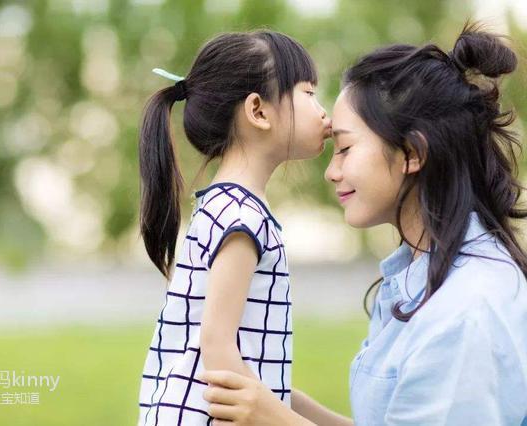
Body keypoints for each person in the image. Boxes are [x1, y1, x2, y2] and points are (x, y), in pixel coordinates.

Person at [200, 23, 527, 426]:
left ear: (412, 153)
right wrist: (284, 406)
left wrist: (277, 420)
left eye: (345, 148)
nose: (331, 172)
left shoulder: (464, 312)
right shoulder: (418, 278)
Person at [137, 30, 331, 425]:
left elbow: (263, 383)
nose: (324, 112)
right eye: (309, 93)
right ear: (258, 111)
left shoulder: (226, 207)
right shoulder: (242, 217)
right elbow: (218, 348)